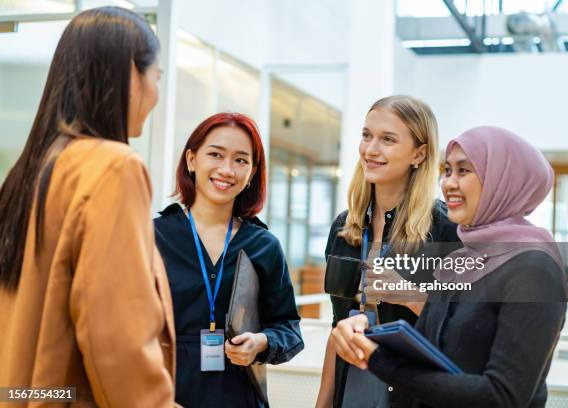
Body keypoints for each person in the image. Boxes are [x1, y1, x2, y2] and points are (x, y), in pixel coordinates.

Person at [0, 7, 178, 407]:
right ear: (131, 75)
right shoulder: (115, 168)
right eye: (157, 77)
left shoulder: (31, 169)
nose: (157, 94)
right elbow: (116, 341)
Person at [331, 126, 568, 408]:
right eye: (447, 171)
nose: (449, 184)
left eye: (464, 171)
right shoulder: (460, 261)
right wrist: (363, 335)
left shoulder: (534, 268)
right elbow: (431, 353)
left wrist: (377, 359)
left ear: (502, 181)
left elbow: (500, 397)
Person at [316, 95, 459, 408]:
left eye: (388, 139)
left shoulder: (446, 229)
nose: (371, 149)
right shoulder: (345, 227)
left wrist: (407, 294)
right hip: (351, 386)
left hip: (413, 393)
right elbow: (336, 328)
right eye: (367, 135)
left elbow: (461, 326)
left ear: (419, 154)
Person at [154, 112, 304, 408]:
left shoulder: (264, 245)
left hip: (239, 397)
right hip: (167, 396)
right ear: (192, 160)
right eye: (215, 154)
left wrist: (262, 343)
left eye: (240, 160)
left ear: (252, 172)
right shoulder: (152, 237)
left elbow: (288, 328)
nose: (227, 169)